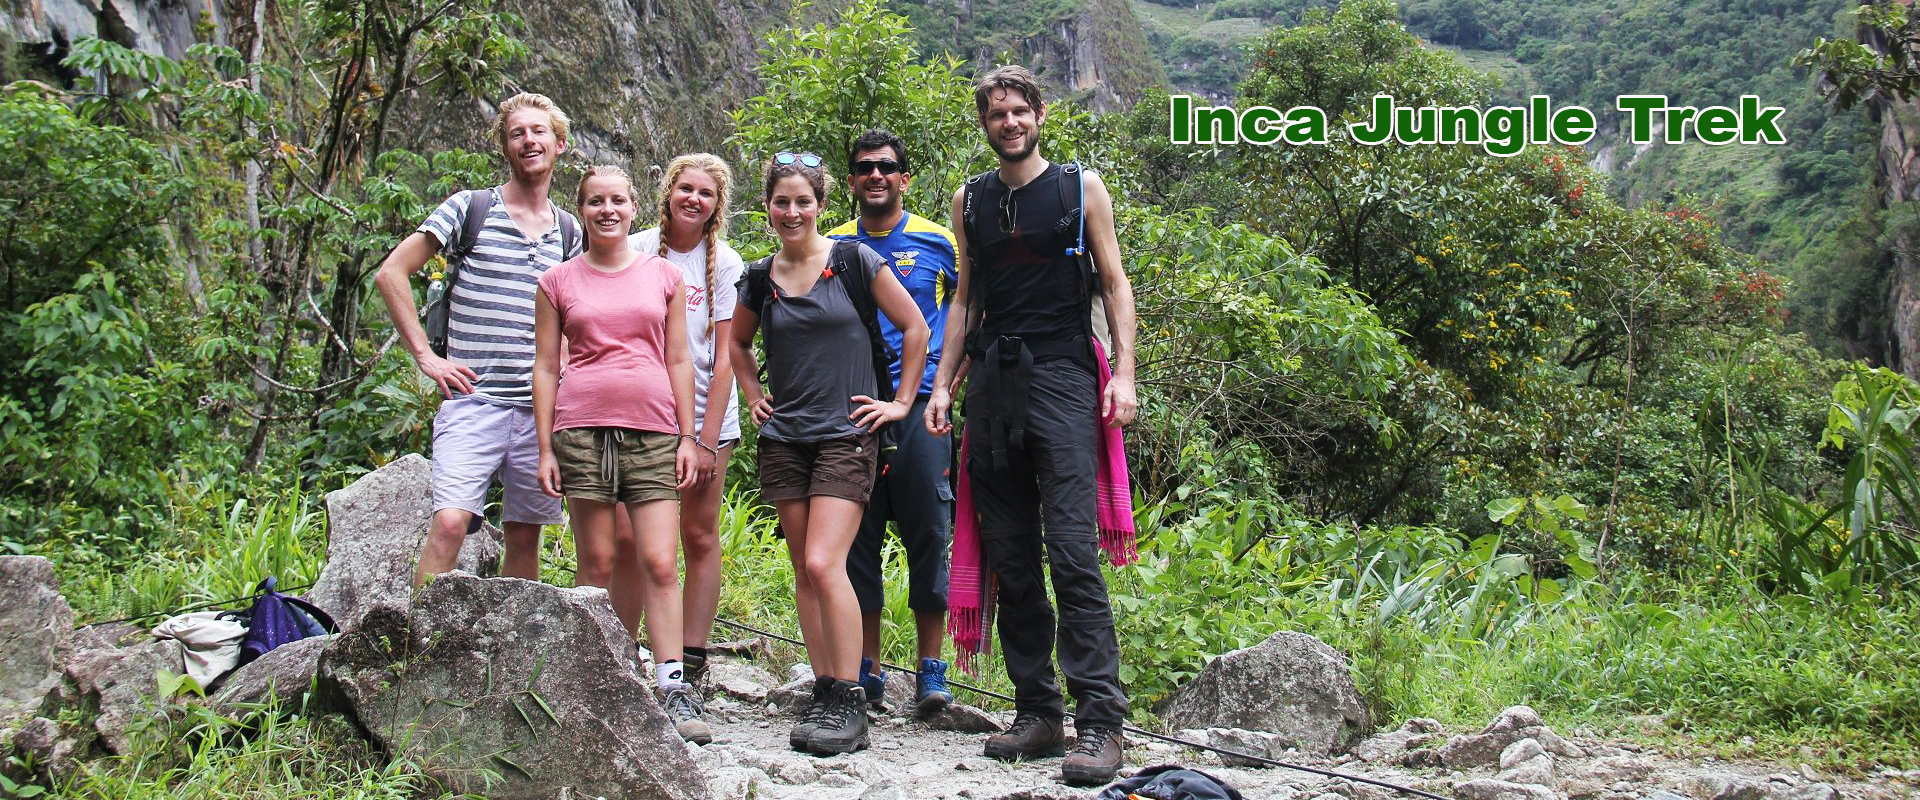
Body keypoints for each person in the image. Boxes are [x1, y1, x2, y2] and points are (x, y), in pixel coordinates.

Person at [924, 65, 1141, 786]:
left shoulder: (1081, 188)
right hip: (992, 381)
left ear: (1040, 115)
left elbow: (1115, 283)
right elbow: (967, 299)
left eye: (1019, 110)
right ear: (984, 123)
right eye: (997, 114)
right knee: (1011, 556)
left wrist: (1124, 374)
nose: (1009, 122)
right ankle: (1039, 713)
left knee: (1072, 552)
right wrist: (943, 385)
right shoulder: (971, 200)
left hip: (1063, 375)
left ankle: (1100, 722)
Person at [729, 152, 930, 755]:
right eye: (781, 202)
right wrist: (753, 394)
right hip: (786, 437)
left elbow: (916, 327)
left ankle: (850, 696)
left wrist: (900, 402)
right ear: (767, 208)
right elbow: (737, 344)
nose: (792, 212)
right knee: (803, 568)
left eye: (803, 201)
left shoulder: (853, 261)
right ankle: (825, 690)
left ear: (820, 205)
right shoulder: (759, 278)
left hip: (847, 434)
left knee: (823, 562)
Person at [531, 164, 712, 743]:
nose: (607, 211)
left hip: (654, 430)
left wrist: (688, 436)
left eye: (617, 201)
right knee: (598, 562)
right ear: (581, 209)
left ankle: (672, 685)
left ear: (635, 207)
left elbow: (679, 358)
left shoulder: (663, 275)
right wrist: (545, 448)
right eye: (595, 202)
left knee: (659, 560)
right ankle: (596, 680)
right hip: (581, 430)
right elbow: (546, 366)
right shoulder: (557, 281)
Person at [372, 92, 579, 588]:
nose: (528, 140)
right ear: (504, 147)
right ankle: (417, 632)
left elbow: (574, 318)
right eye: (516, 133)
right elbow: (391, 272)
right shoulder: (470, 208)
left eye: (539, 131)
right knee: (450, 522)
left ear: (560, 144)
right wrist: (426, 357)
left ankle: (511, 638)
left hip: (539, 412)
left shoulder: (570, 231)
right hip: (473, 401)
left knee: (524, 535)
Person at [828, 129, 958, 715]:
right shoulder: (832, 244)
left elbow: (966, 315)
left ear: (905, 178)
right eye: (864, 168)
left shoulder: (938, 240)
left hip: (924, 408)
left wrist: (949, 390)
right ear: (851, 180)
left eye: (886, 167)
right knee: (857, 539)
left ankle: (932, 670)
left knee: (929, 532)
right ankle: (867, 668)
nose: (875, 175)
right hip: (853, 408)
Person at [626, 153, 745, 695]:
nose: (693, 199)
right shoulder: (635, 249)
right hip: (641, 416)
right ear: (668, 192)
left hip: (705, 416)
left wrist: (702, 440)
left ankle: (691, 657)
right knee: (632, 538)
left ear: (717, 205)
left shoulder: (726, 264)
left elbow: (726, 360)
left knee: (698, 533)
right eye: (686, 189)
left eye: (706, 193)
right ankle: (623, 649)